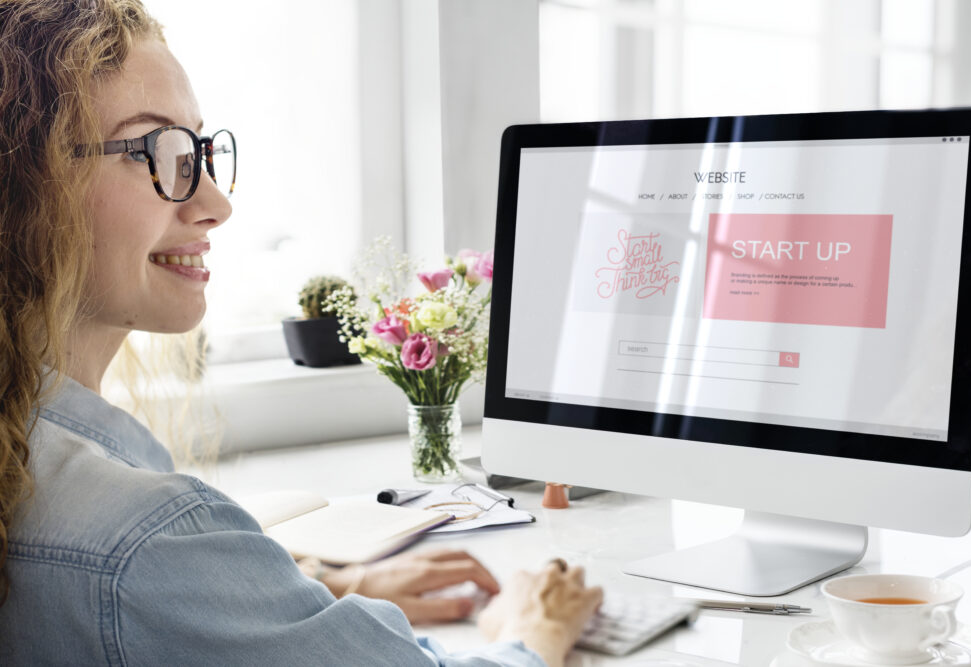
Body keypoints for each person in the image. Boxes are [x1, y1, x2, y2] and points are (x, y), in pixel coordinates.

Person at [0, 1, 603, 664]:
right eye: (159, 150)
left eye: (200, 150)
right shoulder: (146, 539)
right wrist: (533, 632)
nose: (215, 204)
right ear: (27, 186)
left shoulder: (33, 459)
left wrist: (318, 585)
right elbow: (142, 572)